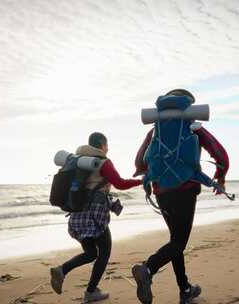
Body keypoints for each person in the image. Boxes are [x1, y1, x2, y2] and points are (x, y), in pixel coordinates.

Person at [131, 89, 229, 304]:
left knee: (175, 241)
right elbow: (220, 154)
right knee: (178, 242)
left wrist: (151, 174)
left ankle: (184, 290)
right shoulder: (192, 126)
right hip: (186, 191)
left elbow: (139, 162)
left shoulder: (155, 130)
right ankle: (148, 268)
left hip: (161, 193)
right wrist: (220, 177)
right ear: (188, 107)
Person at [50, 132, 143, 303]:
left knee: (91, 252)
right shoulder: (103, 162)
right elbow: (120, 183)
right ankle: (90, 291)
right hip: (94, 215)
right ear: (101, 144)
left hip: (77, 214)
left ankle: (62, 270)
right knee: (105, 251)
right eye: (107, 145)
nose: (108, 149)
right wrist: (141, 181)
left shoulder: (77, 161)